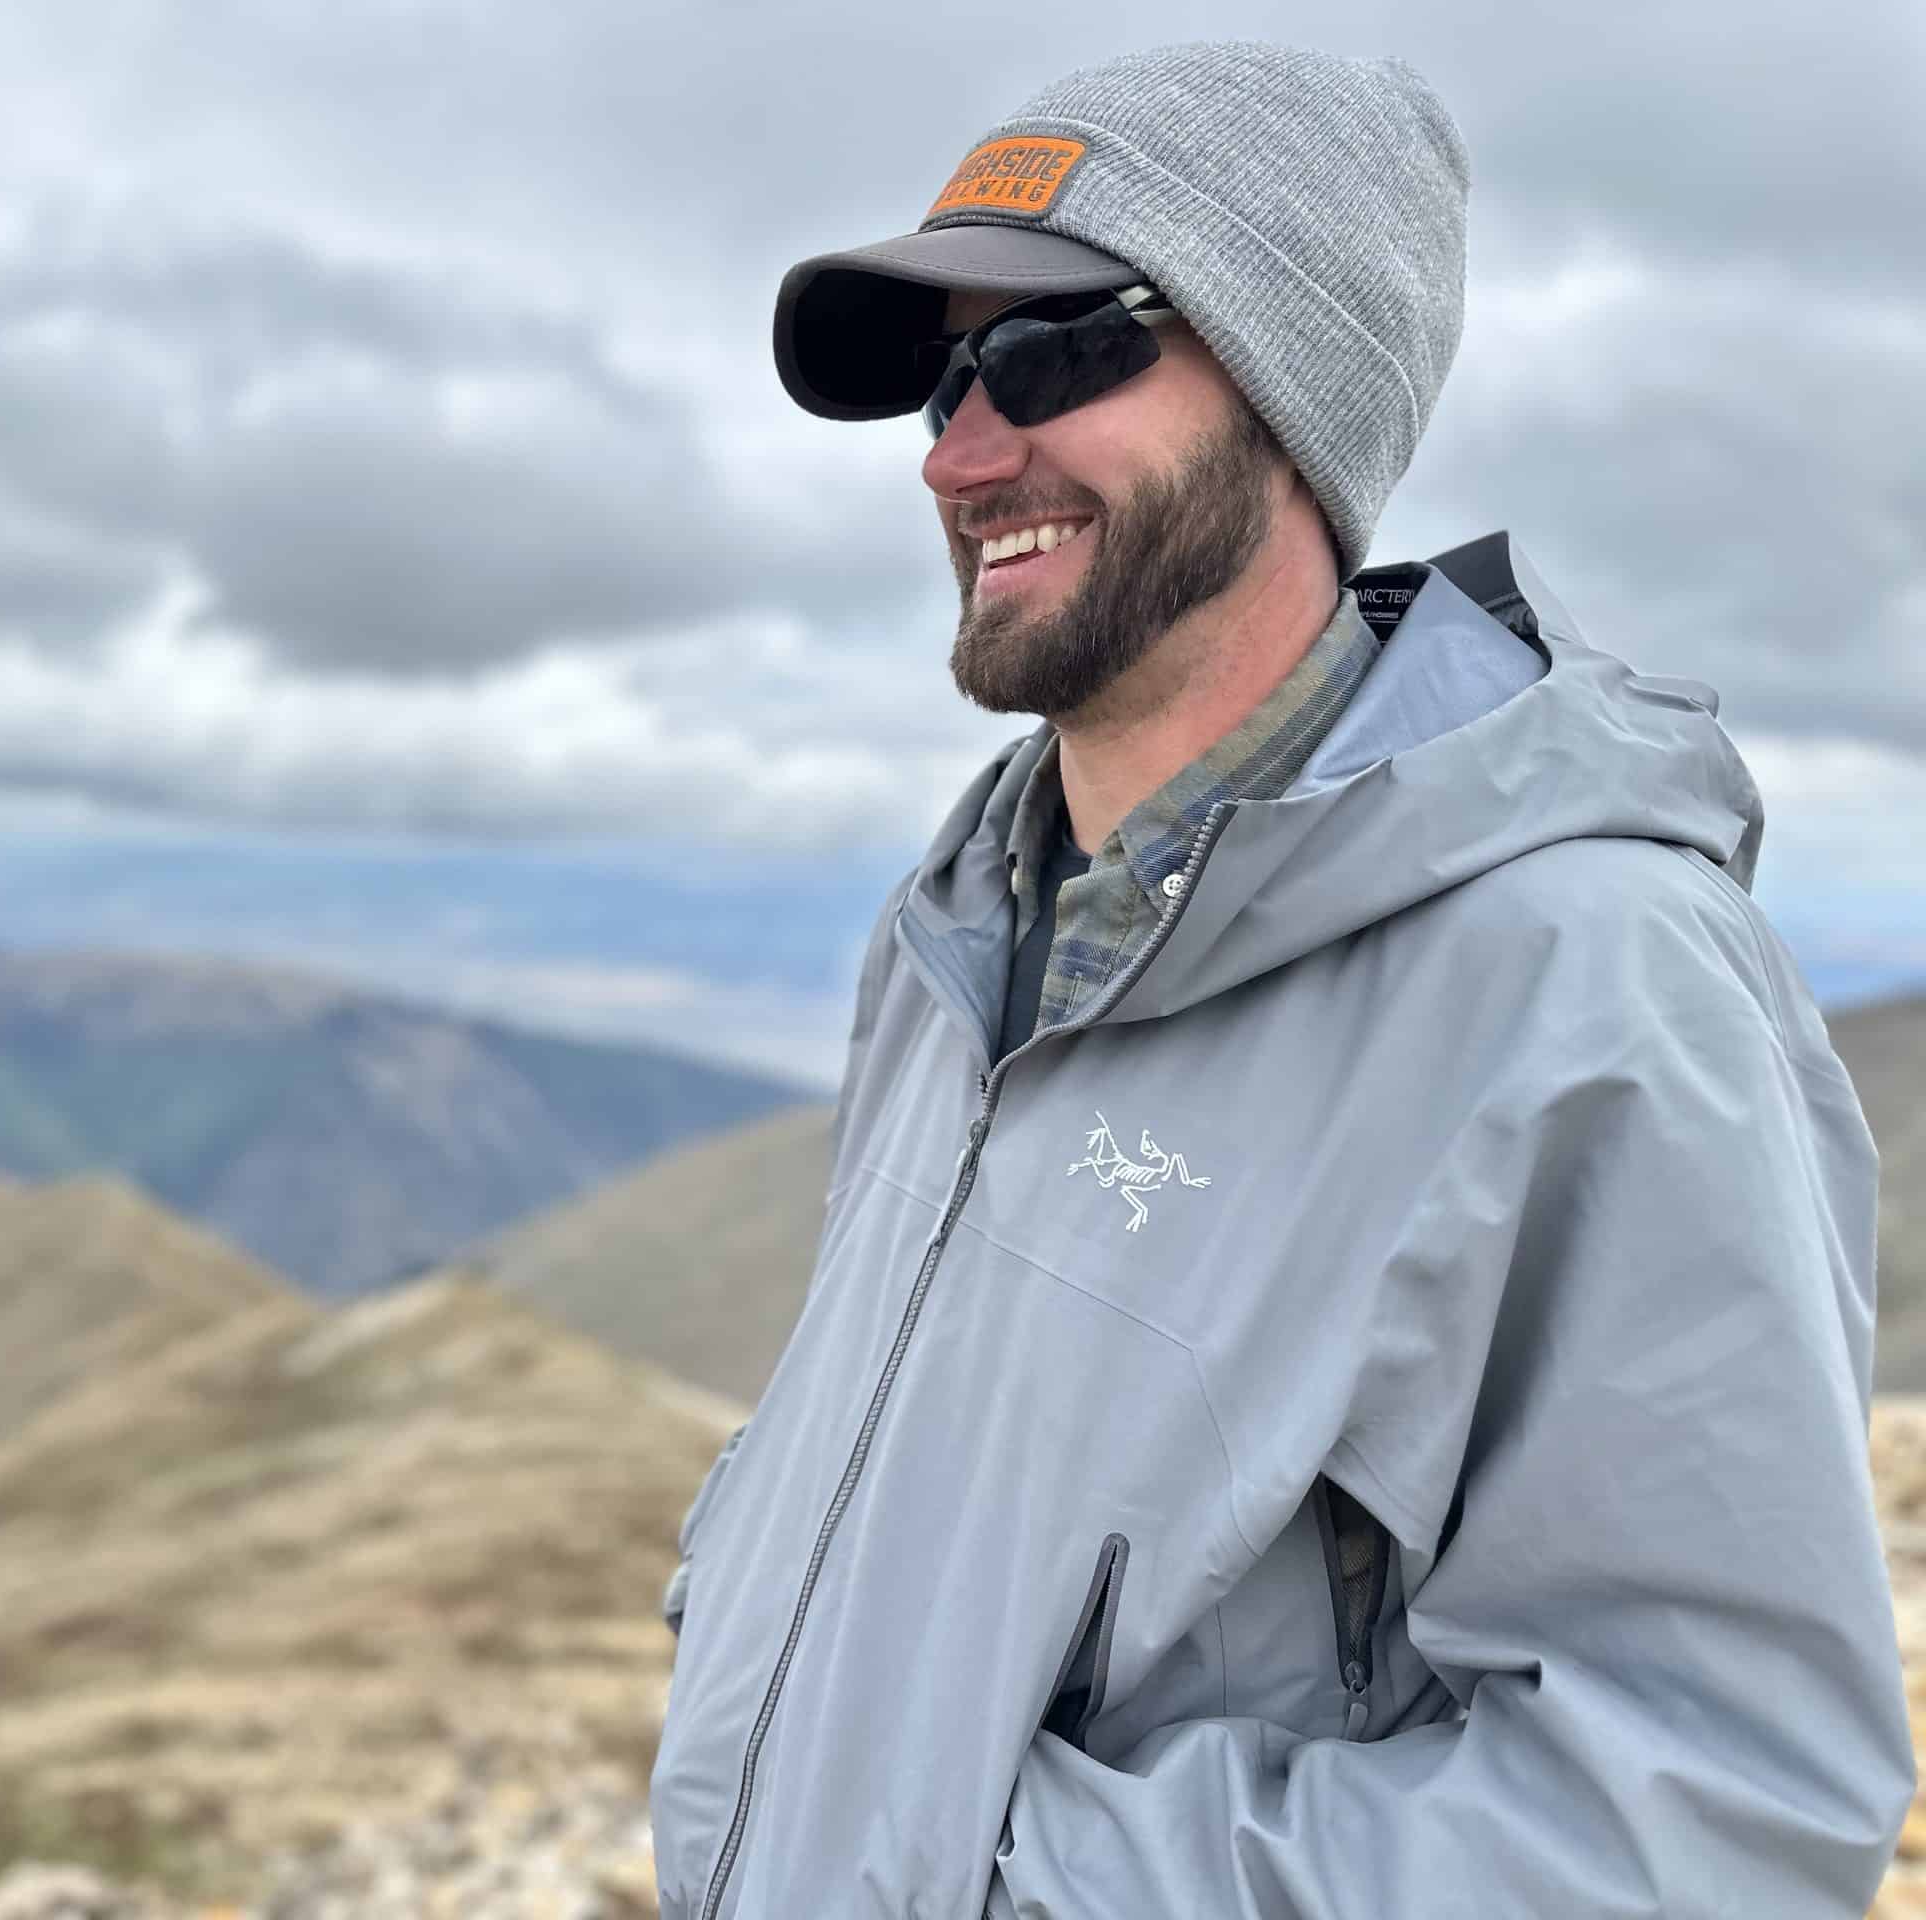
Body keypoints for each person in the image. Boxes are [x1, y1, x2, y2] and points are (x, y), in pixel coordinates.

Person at [647, 38, 1913, 1920]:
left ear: (1295, 394)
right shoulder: (953, 936)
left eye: (1054, 354)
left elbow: (1712, 1813)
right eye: (939, 380)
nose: (964, 449)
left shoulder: (1588, 983)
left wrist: (966, 1888)